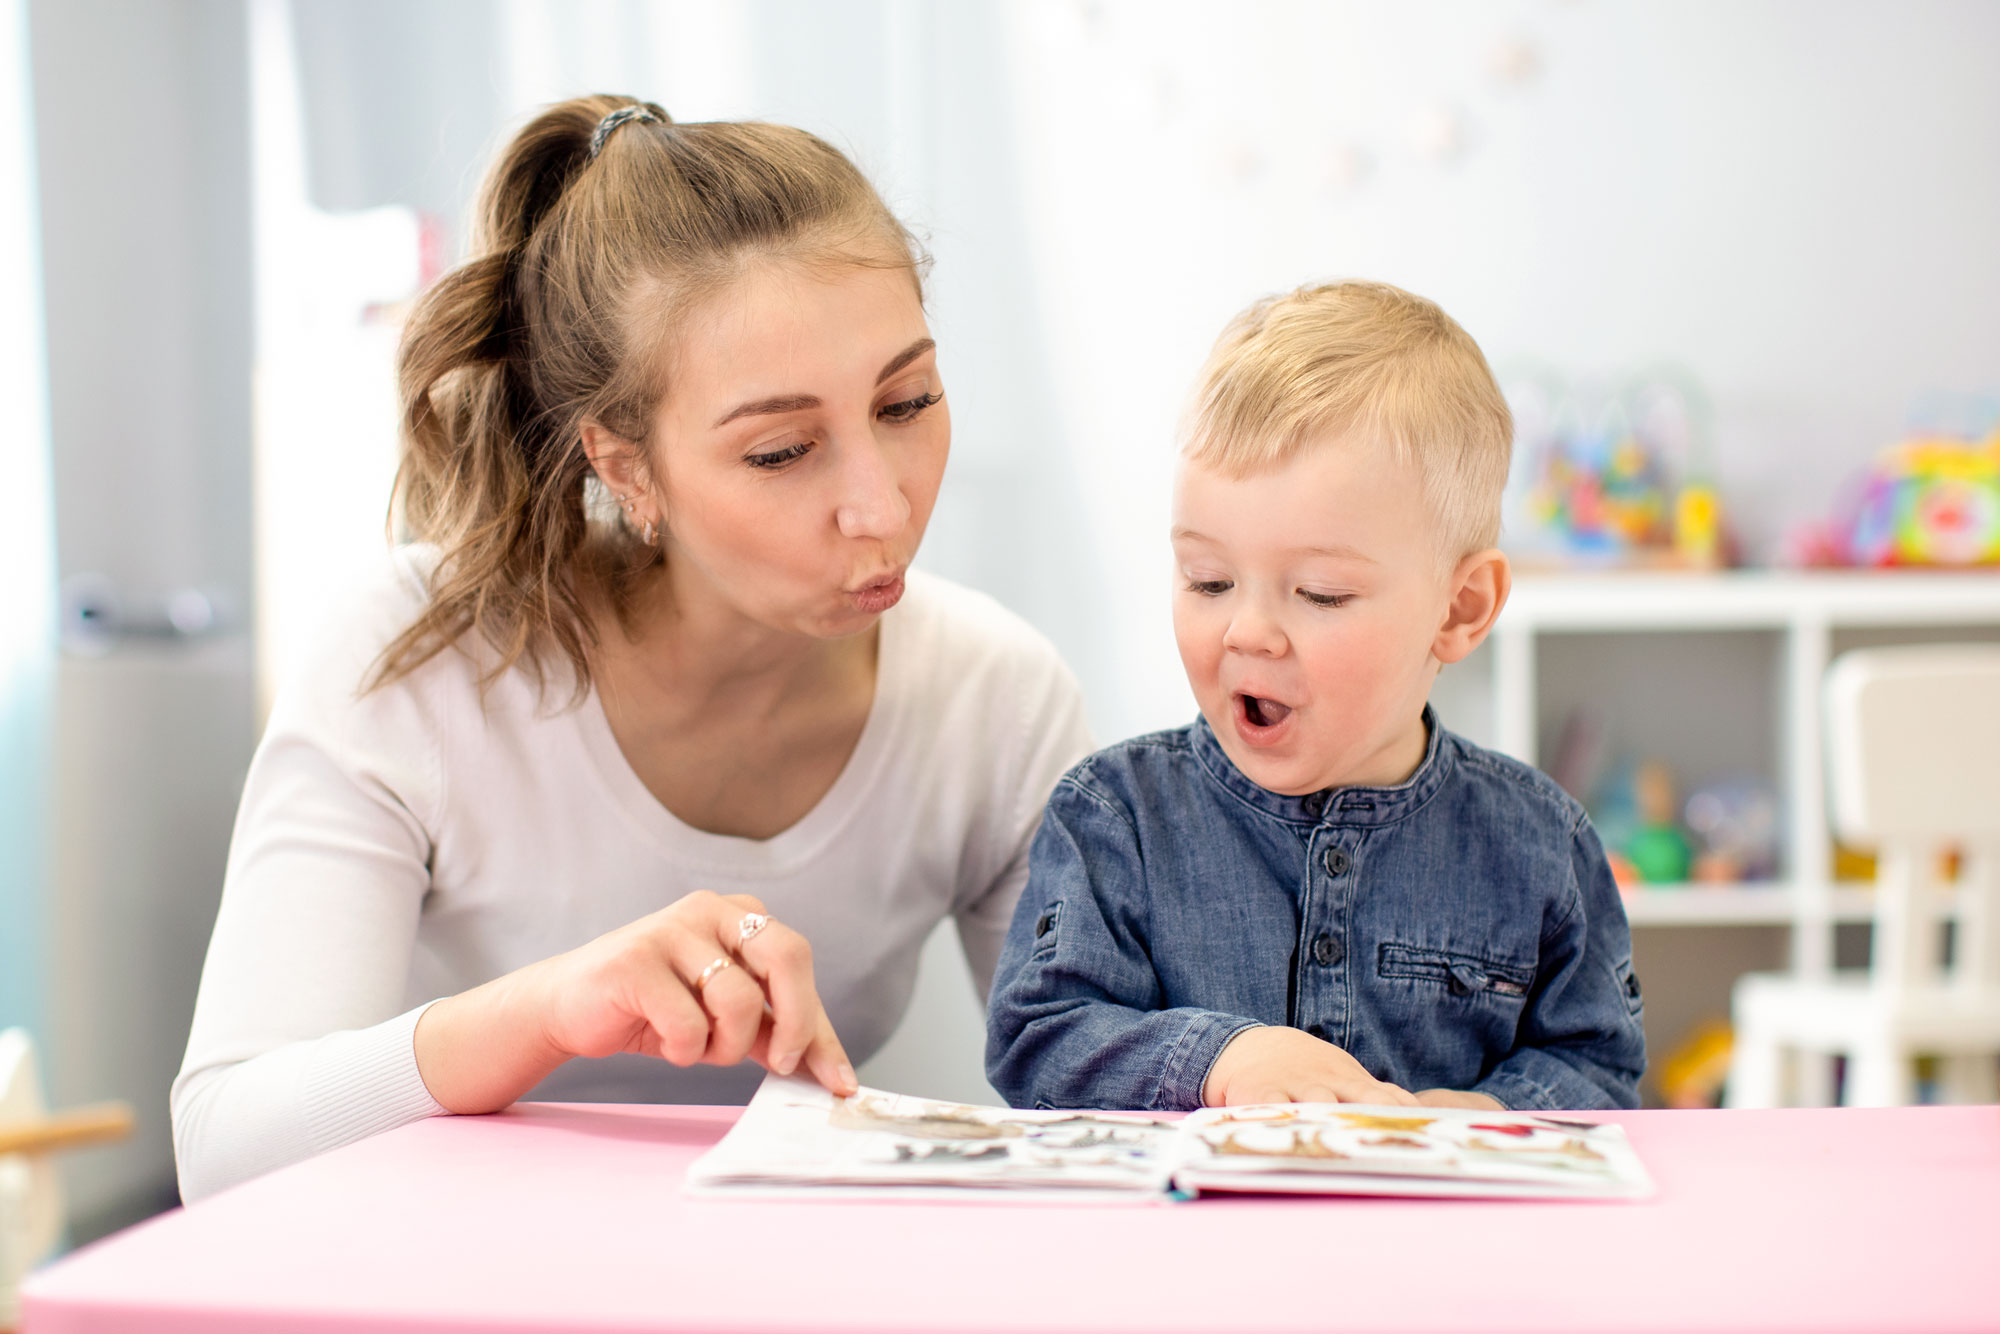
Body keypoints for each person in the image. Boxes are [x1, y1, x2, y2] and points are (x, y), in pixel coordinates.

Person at [172, 96, 1091, 1201]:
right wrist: (549, 1006)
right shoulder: (415, 658)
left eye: (907, 400)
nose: (878, 503)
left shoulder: (993, 696)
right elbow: (222, 1146)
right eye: (782, 449)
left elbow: (1083, 1110)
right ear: (625, 465)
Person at [985, 281, 1645, 1113]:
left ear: (1460, 608)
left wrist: (1489, 1117)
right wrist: (1221, 1061)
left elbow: (1598, 1065)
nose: (1248, 632)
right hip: (1188, 1240)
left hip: (1439, 1240)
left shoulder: (1538, 844)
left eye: (1321, 593)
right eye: (1208, 579)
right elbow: (1036, 1040)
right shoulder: (1115, 818)